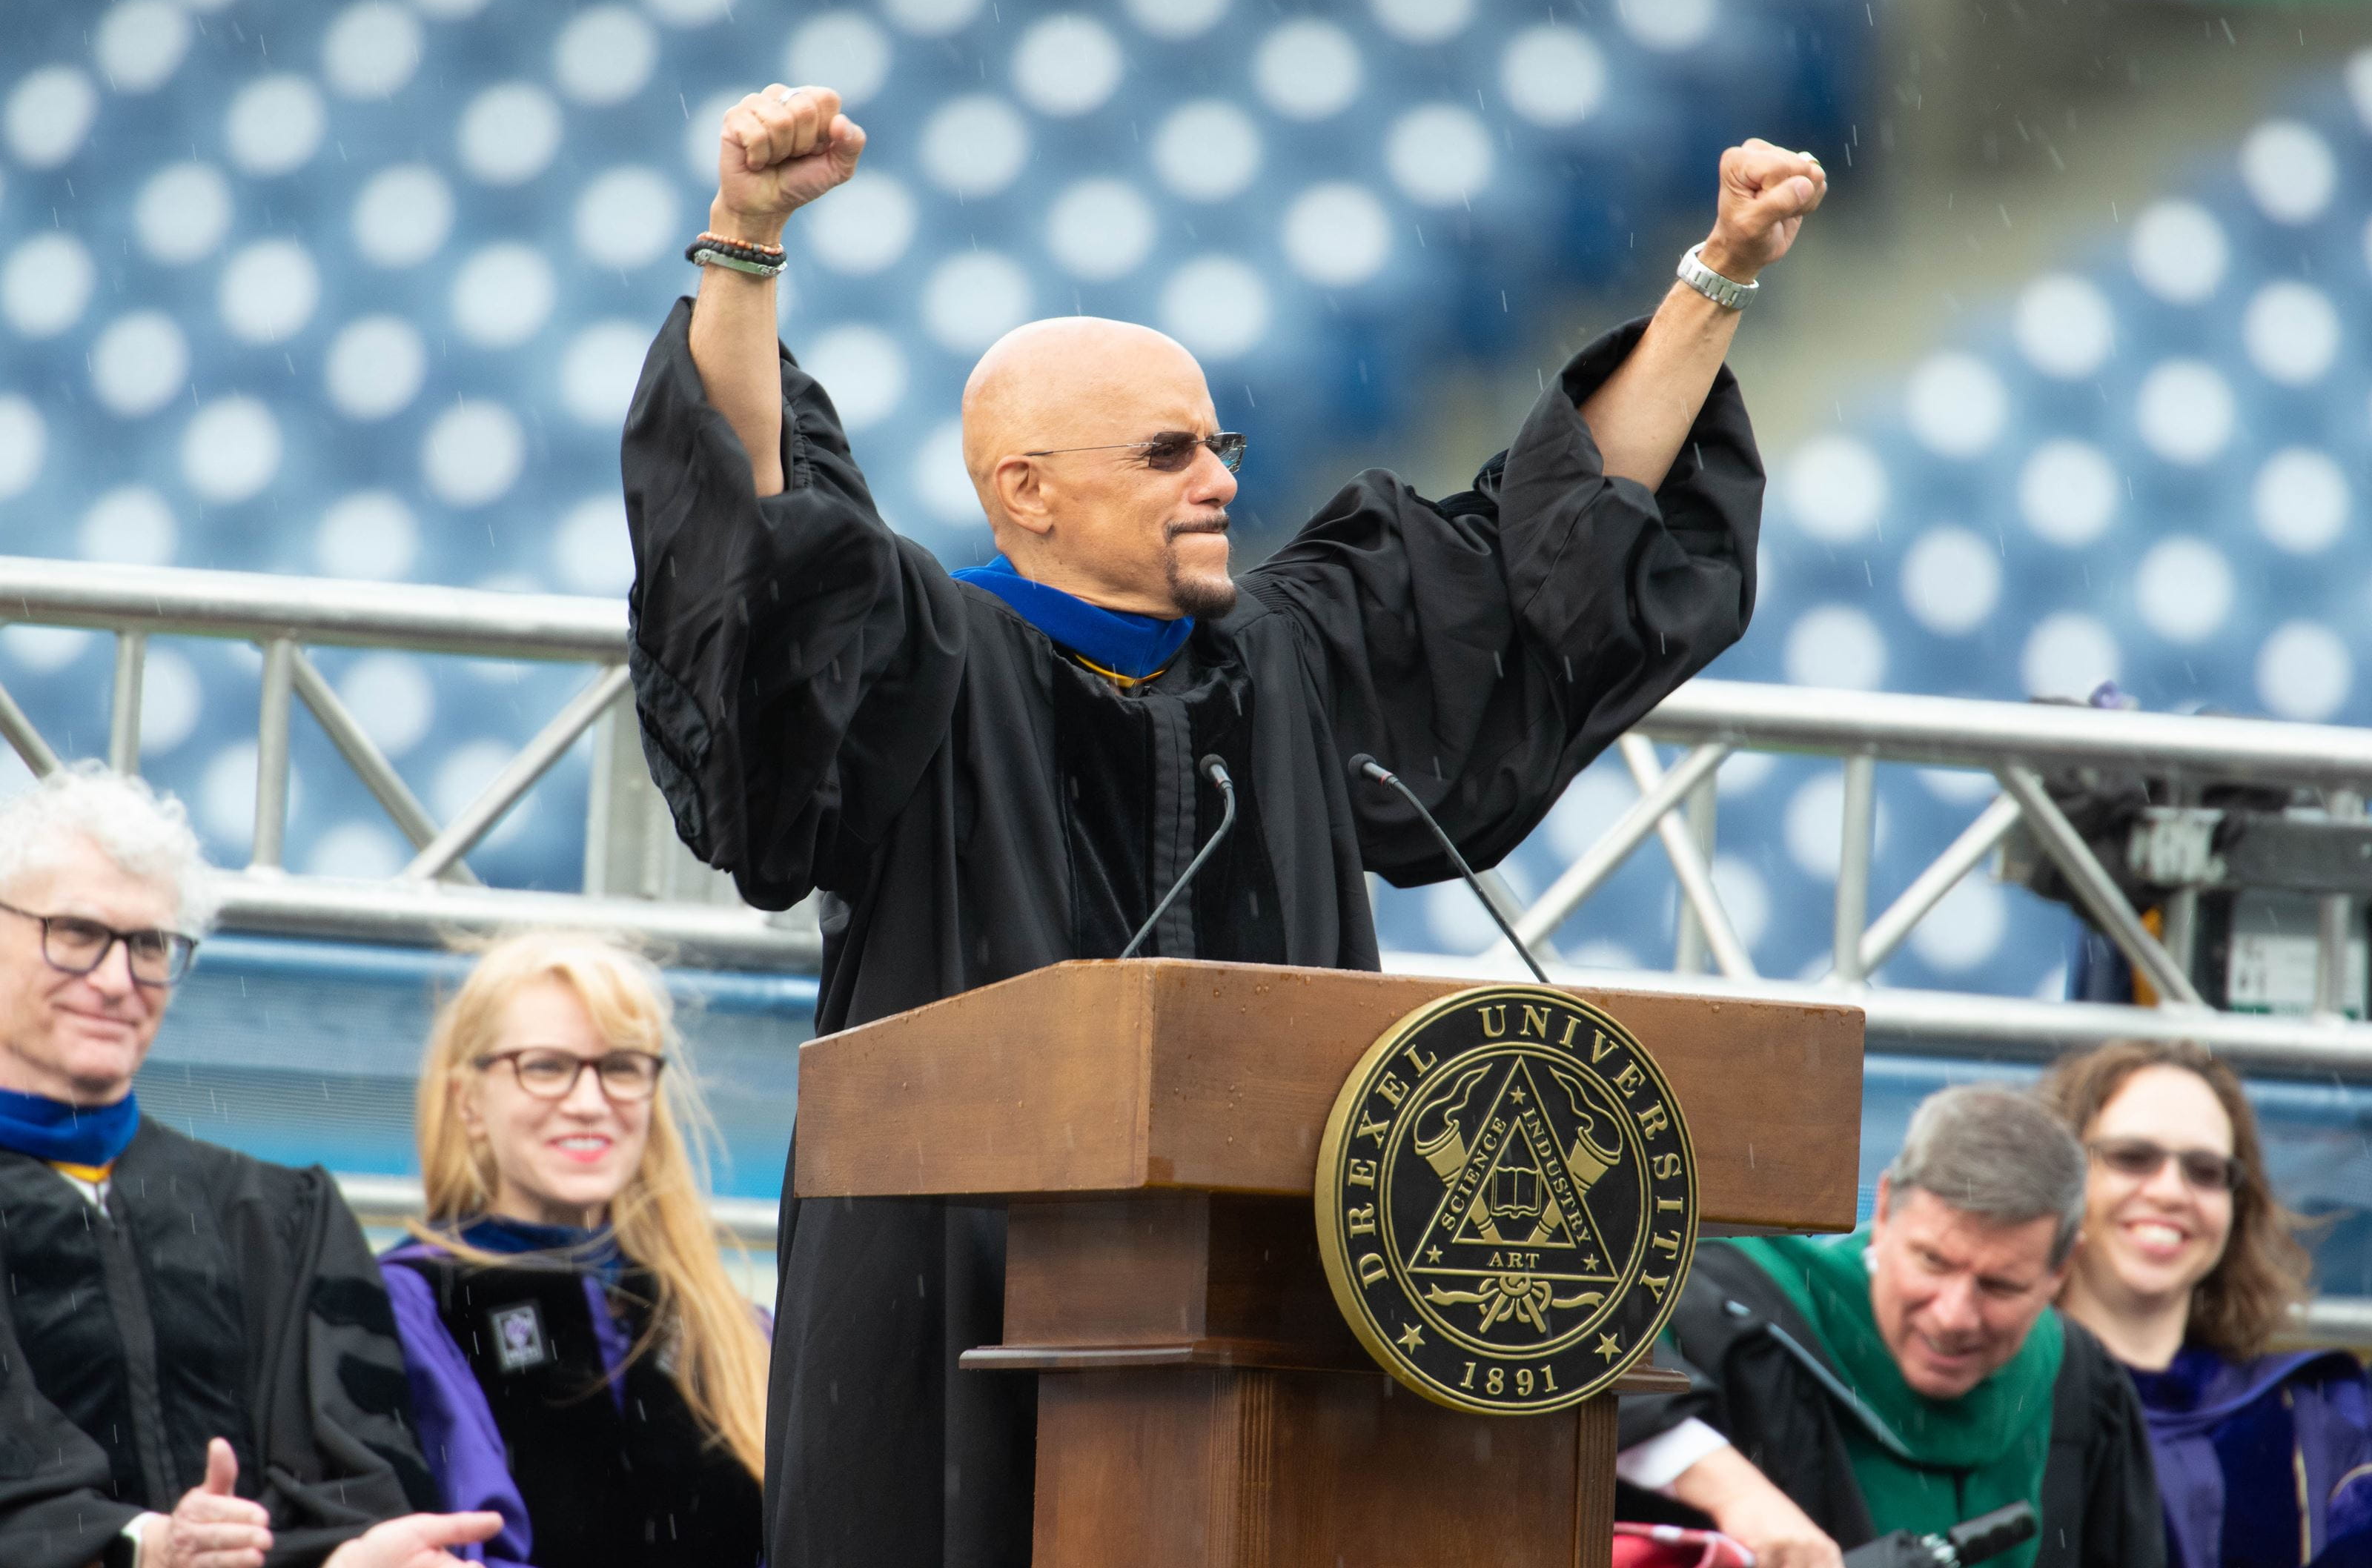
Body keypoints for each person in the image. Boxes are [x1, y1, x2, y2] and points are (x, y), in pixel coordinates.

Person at [623, 79, 1823, 1567]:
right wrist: (744, 237)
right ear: (1027, 492)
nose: (1223, 482)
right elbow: (747, 532)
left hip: (1271, 1304)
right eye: (1169, 455)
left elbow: (1541, 556)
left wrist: (1716, 281)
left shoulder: (1295, 659)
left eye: (1220, 443)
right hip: (952, 1300)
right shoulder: (919, 661)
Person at [0, 762, 501, 1568]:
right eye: (78, 934)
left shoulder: (275, 1216)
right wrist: (140, 1545)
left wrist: (354, 1558)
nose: (116, 979)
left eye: (150, 945)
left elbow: (351, 1479)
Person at [1614, 1085, 2164, 1568]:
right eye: (1932, 1261)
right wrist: (1735, 1493)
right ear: (1882, 1210)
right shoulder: (1744, 1310)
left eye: (2000, 1286)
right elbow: (1574, 1353)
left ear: (2061, 1269)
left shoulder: (2081, 1385)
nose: (1953, 1316)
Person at [378, 932, 766, 1568]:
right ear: (469, 1101)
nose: (589, 1104)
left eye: (620, 1067)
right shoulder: (412, 1309)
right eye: (546, 1067)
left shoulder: (724, 1326)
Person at [2038, 1040, 2372, 1568]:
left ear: (2236, 1208)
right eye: (2132, 1158)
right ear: (2059, 1180)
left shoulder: (2324, 1417)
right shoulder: (1998, 1402)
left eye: (2205, 1170)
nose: (2171, 1192)